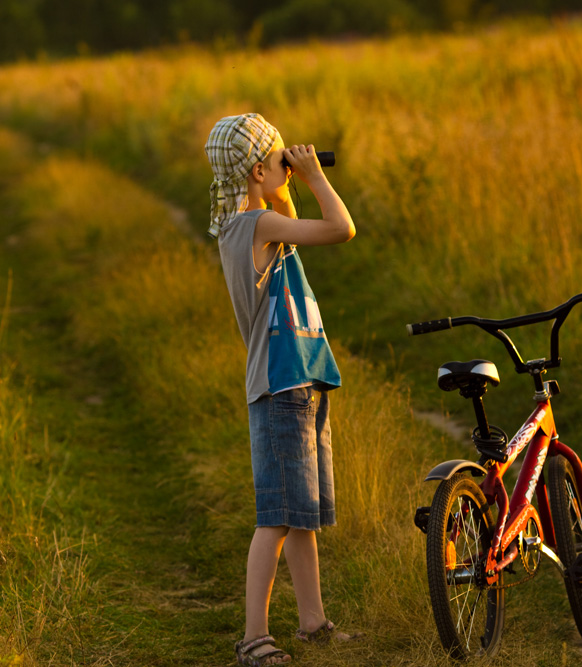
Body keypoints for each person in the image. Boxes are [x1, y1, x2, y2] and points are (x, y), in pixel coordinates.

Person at [205, 113, 359, 666]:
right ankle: (253, 638)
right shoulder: (254, 227)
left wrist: (283, 178)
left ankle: (313, 622)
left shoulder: (259, 222)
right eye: (277, 160)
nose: (288, 168)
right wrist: (315, 176)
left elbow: (288, 215)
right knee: (275, 515)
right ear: (254, 170)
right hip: (279, 385)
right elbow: (341, 229)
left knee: (302, 514)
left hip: (302, 378)